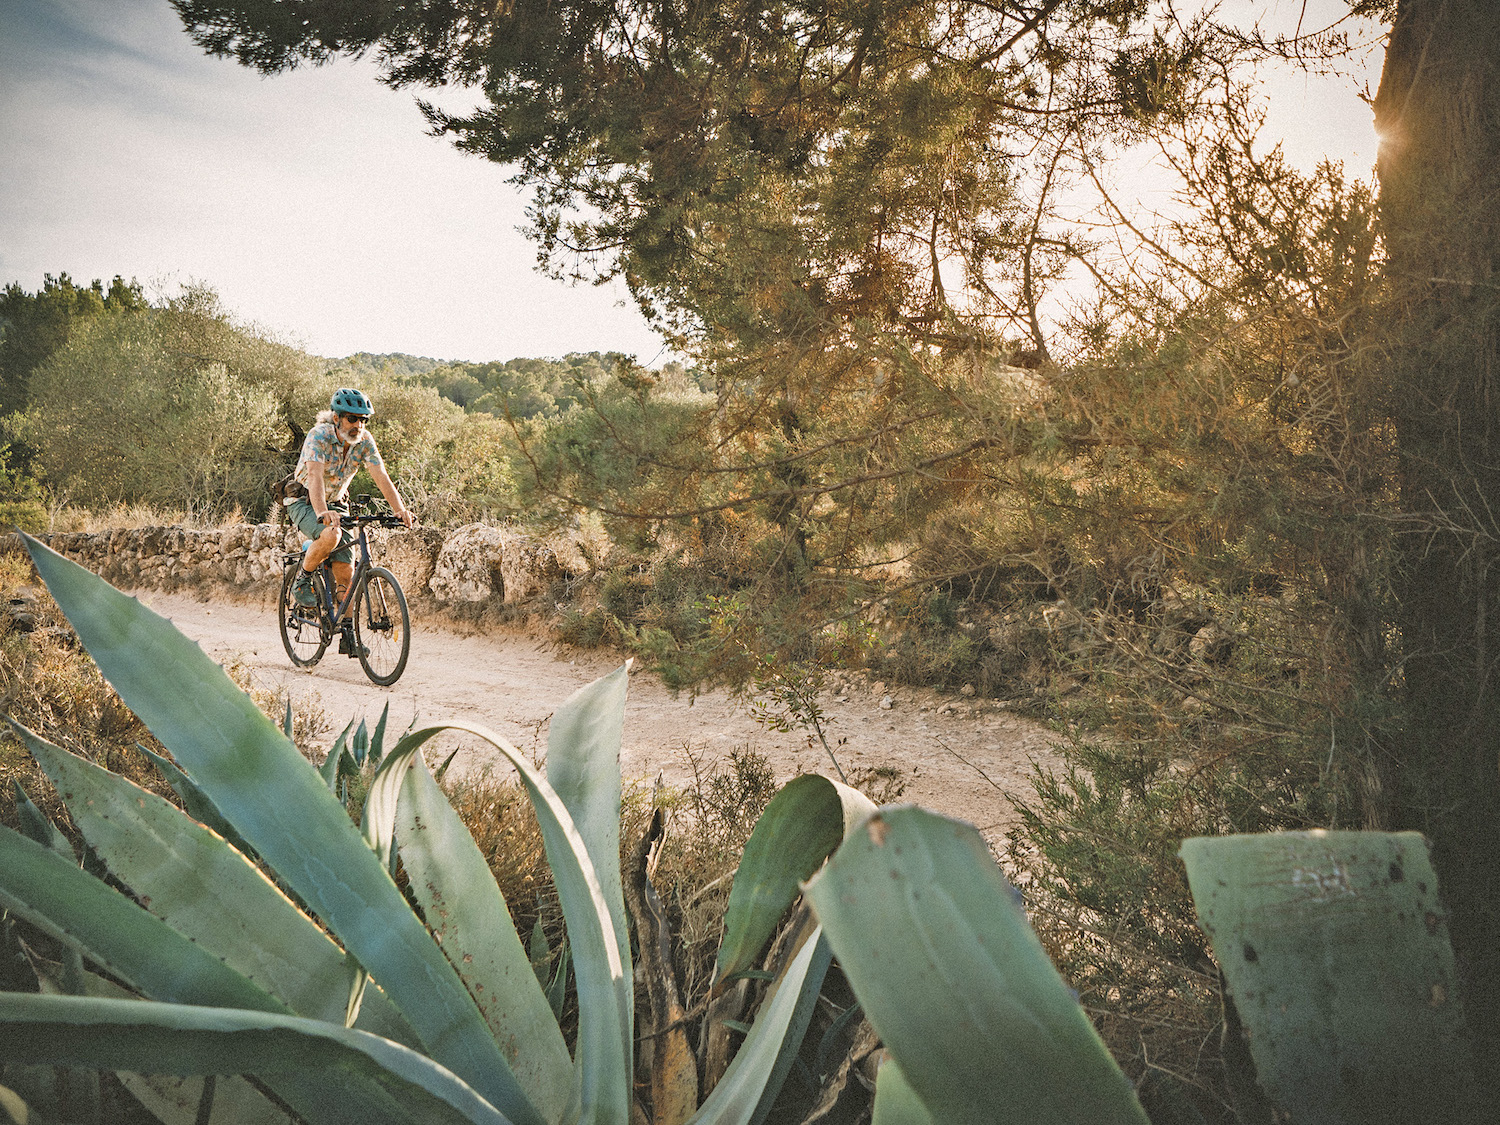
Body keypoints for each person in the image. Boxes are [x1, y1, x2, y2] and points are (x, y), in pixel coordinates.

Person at [286, 388, 415, 654]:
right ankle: (302, 580)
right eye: (353, 419)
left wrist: (400, 509)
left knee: (347, 568)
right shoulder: (318, 436)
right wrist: (322, 511)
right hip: (304, 500)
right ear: (337, 417)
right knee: (330, 536)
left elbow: (381, 476)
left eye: (363, 420)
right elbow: (315, 477)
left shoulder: (364, 440)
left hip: (337, 503)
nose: (358, 425)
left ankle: (347, 634)